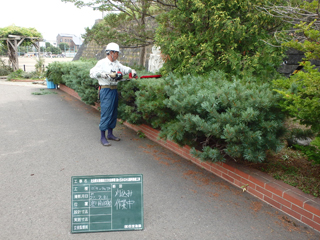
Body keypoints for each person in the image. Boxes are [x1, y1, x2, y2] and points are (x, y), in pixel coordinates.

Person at [90, 42, 137, 146]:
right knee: (106, 112)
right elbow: (92, 73)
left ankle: (110, 134)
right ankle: (103, 137)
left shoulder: (116, 63)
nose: (117, 55)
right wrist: (105, 75)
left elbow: (123, 69)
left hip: (114, 90)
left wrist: (131, 71)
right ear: (111, 52)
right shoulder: (102, 63)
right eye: (116, 53)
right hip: (105, 90)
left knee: (113, 112)